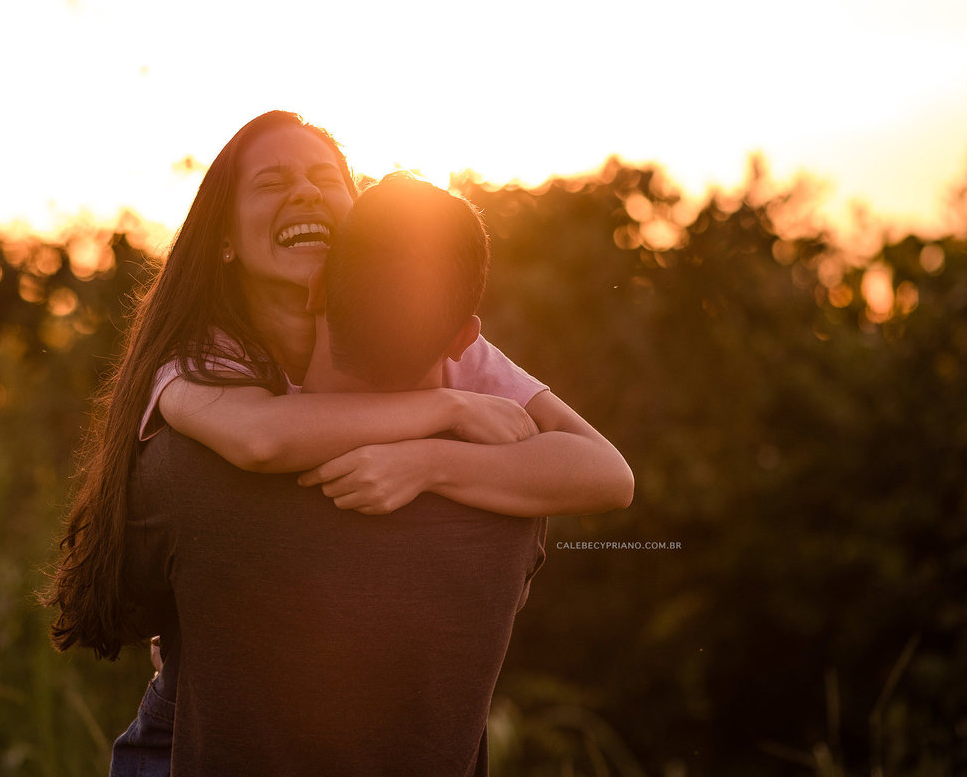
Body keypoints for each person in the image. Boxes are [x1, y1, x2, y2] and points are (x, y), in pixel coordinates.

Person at [41, 111, 633, 768]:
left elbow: (605, 473)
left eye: (325, 177)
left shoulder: (434, 331)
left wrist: (429, 463)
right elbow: (260, 439)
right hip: (209, 704)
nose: (303, 192)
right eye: (271, 183)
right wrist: (444, 408)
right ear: (226, 239)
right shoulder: (202, 352)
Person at [123, 174, 549, 774]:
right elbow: (611, 477)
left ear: (318, 288)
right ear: (463, 337)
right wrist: (443, 435)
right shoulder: (512, 495)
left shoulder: (191, 468)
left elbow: (133, 605)